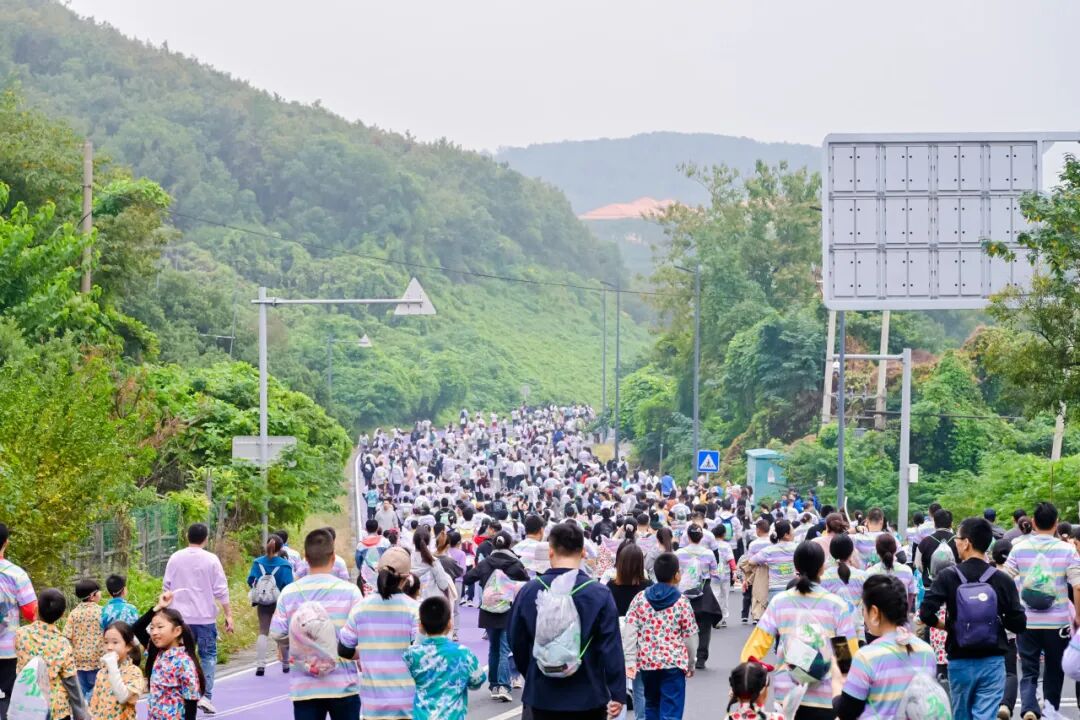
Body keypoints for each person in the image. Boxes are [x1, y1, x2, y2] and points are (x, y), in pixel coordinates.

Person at [508, 521, 626, 720]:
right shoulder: (599, 593)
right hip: (589, 693)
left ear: (550, 552)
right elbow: (611, 646)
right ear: (583, 553)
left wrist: (532, 672)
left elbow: (516, 640)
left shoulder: (529, 591)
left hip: (542, 693)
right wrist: (617, 692)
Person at [918, 517, 1026, 720]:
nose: (956, 543)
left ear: (966, 543)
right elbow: (1019, 623)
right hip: (993, 660)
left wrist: (947, 626)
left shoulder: (947, 576)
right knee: (985, 715)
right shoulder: (1002, 579)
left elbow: (925, 613)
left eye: (958, 539)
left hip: (959, 659)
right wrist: (996, 619)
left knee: (961, 715)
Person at [740, 541, 857, 720]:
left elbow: (755, 648)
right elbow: (846, 658)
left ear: (796, 567)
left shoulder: (780, 602)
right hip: (826, 697)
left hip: (787, 696)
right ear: (822, 568)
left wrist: (747, 679)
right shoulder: (836, 605)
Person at [270, 528, 364, 720]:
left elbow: (277, 632)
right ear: (333, 557)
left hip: (305, 686)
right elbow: (363, 635)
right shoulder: (350, 592)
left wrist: (297, 644)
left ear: (305, 558)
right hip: (343, 685)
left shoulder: (289, 593)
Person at [1002, 501, 1080, 720]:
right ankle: (1049, 711)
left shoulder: (1019, 548)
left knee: (1029, 668)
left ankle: (1029, 707)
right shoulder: (1067, 550)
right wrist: (1078, 616)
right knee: (1054, 669)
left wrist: (1012, 609)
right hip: (1058, 623)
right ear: (1056, 523)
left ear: (1033, 522)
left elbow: (1005, 579)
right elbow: (1077, 585)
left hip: (1027, 621)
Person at [832, 575, 937, 720]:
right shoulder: (927, 652)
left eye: (864, 608)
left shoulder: (866, 657)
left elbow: (847, 712)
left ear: (874, 612)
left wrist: (837, 682)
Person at [338, 546, 418, 720]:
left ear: (377, 571)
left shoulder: (361, 608)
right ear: (406, 578)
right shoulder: (414, 609)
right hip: (407, 704)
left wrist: (366, 651)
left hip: (373, 705)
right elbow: (420, 652)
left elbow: (343, 649)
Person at [161, 522, 233, 713]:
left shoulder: (175, 558)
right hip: (205, 618)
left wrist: (164, 614)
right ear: (206, 539)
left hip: (179, 619)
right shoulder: (211, 559)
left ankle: (184, 695)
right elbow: (221, 589)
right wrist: (228, 614)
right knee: (208, 656)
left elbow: (166, 587)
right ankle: (206, 696)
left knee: (182, 656)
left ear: (187, 536)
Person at [625, 552, 698, 720]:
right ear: (676, 575)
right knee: (671, 711)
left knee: (651, 706)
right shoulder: (682, 602)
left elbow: (630, 631)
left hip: (647, 663)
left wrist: (630, 661)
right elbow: (690, 637)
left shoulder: (640, 598)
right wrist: (691, 663)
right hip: (673, 663)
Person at [463, 531, 529, 701]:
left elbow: (467, 578)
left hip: (488, 610)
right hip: (507, 610)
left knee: (493, 648)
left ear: (493, 545)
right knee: (504, 649)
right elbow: (527, 581)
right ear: (509, 545)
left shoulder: (486, 563)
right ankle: (504, 686)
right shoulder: (515, 563)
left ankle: (494, 685)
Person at [403, 596, 486, 720]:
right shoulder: (463, 653)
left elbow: (402, 684)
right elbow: (477, 680)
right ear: (449, 624)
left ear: (420, 626)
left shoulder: (411, 654)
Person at [14, 588, 88, 720]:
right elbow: (71, 682)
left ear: (36, 607)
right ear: (62, 615)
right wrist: (81, 714)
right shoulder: (63, 643)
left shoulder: (21, 634)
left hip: (27, 707)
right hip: (56, 709)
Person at [608, 542, 652, 717]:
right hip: (640, 641)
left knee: (615, 687)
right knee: (640, 688)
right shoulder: (648, 587)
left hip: (616, 641)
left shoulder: (610, 587)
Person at [0, 522, 37, 720]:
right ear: (6, 542)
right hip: (8, 651)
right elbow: (32, 612)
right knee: (8, 700)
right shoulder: (16, 574)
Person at [674, 524, 723, 670]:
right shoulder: (709, 553)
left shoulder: (678, 553)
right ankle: (701, 658)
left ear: (688, 537)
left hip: (683, 592)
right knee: (705, 627)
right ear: (701, 537)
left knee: (681, 626)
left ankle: (684, 656)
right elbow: (715, 573)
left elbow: (675, 573)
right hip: (704, 590)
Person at [247, 533, 295, 676]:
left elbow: (250, 580)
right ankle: (285, 664)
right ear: (281, 548)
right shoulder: (285, 565)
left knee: (263, 631)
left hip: (263, 602)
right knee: (282, 632)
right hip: (280, 602)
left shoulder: (257, 563)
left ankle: (260, 665)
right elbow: (289, 586)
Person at [145, 607, 204, 720]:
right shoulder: (158, 655)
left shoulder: (183, 662)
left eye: (160, 627)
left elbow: (191, 701)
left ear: (177, 631)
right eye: (152, 628)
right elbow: (136, 629)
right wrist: (156, 608)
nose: (154, 632)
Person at [89, 621, 143, 720]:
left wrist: (112, 666)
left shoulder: (134, 672)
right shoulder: (101, 673)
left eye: (115, 642)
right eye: (106, 642)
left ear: (128, 646)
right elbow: (94, 706)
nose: (109, 647)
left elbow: (122, 697)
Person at [820, 534, 868, 643]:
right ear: (851, 552)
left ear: (831, 552)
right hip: (857, 635)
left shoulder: (822, 578)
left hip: (832, 636)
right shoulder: (862, 577)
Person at [63, 578, 104, 700]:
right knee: (97, 695)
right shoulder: (102, 612)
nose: (100, 593)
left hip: (79, 663)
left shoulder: (73, 614)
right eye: (98, 591)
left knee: (81, 696)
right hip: (98, 661)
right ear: (92, 596)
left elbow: (66, 636)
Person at [864, 533, 916, 627]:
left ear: (877, 551)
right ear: (895, 549)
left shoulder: (870, 573)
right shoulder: (907, 571)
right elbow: (911, 595)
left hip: (877, 624)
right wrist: (905, 613)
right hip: (901, 623)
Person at [747, 519, 797, 603]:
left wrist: (766, 563)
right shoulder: (797, 548)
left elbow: (751, 561)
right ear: (786, 535)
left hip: (775, 589)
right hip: (793, 588)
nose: (794, 532)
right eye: (792, 530)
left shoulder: (769, 551)